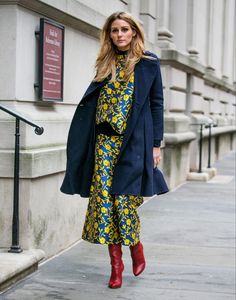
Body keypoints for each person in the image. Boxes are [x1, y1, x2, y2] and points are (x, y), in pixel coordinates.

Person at [61, 11, 168, 289]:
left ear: (134, 32)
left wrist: (156, 144)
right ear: (109, 35)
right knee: (105, 204)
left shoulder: (148, 64)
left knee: (124, 201)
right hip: (103, 145)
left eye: (124, 29)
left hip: (133, 143)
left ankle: (135, 246)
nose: (119, 35)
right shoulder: (105, 64)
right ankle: (116, 266)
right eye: (114, 31)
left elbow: (157, 105)